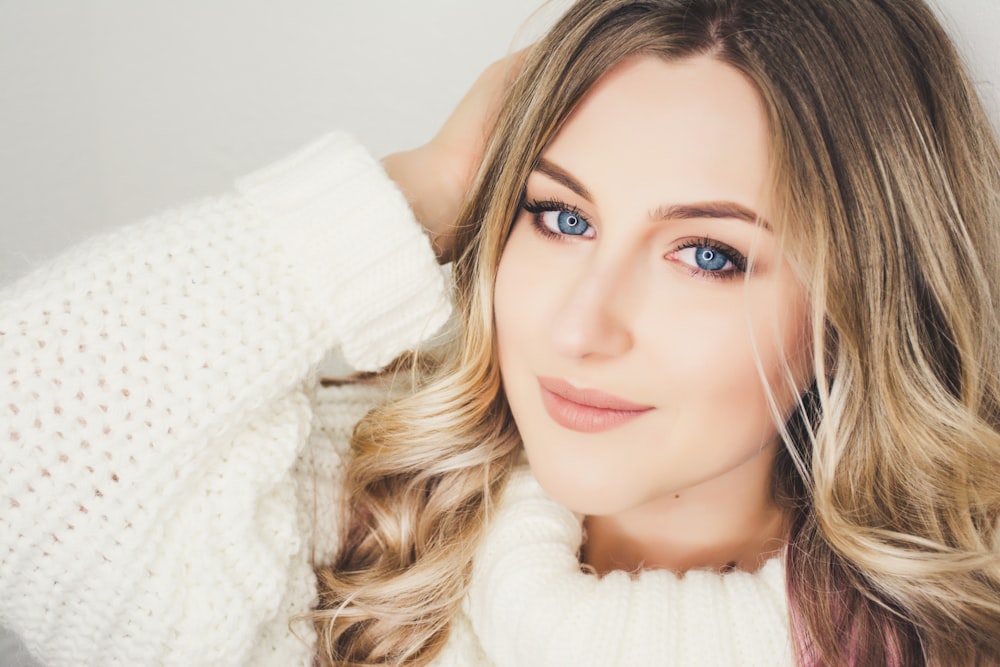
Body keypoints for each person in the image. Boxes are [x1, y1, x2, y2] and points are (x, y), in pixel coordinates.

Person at [2, 0, 999, 665]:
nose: (578, 326)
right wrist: (426, 187)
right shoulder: (351, 550)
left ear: (861, 299)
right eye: (558, 217)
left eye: (705, 253)